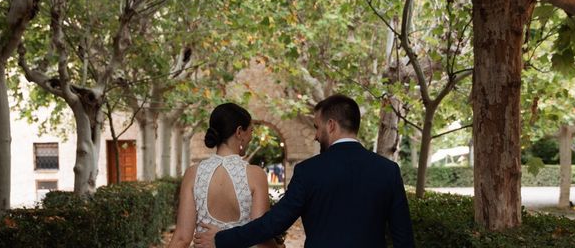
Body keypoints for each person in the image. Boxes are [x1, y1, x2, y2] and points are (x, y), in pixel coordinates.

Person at [193, 94, 415, 248]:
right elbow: (404, 238)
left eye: (317, 127)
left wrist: (221, 240)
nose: (315, 135)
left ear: (331, 125)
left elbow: (273, 223)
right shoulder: (388, 171)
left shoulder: (309, 171)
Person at [167, 103, 280, 248]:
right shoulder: (256, 175)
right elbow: (261, 238)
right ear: (239, 132)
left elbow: (181, 239)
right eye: (251, 131)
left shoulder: (193, 174)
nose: (251, 137)